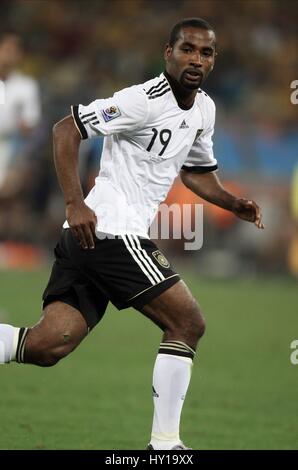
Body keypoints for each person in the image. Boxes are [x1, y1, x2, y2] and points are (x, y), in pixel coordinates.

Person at [0, 18, 264, 450]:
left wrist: (231, 202)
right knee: (188, 323)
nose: (196, 59)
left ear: (214, 60)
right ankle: (165, 446)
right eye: (187, 50)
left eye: (206, 52)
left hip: (90, 238)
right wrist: (74, 201)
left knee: (49, 344)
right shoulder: (143, 100)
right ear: (168, 53)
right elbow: (66, 129)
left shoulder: (204, 110)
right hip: (110, 231)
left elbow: (196, 171)